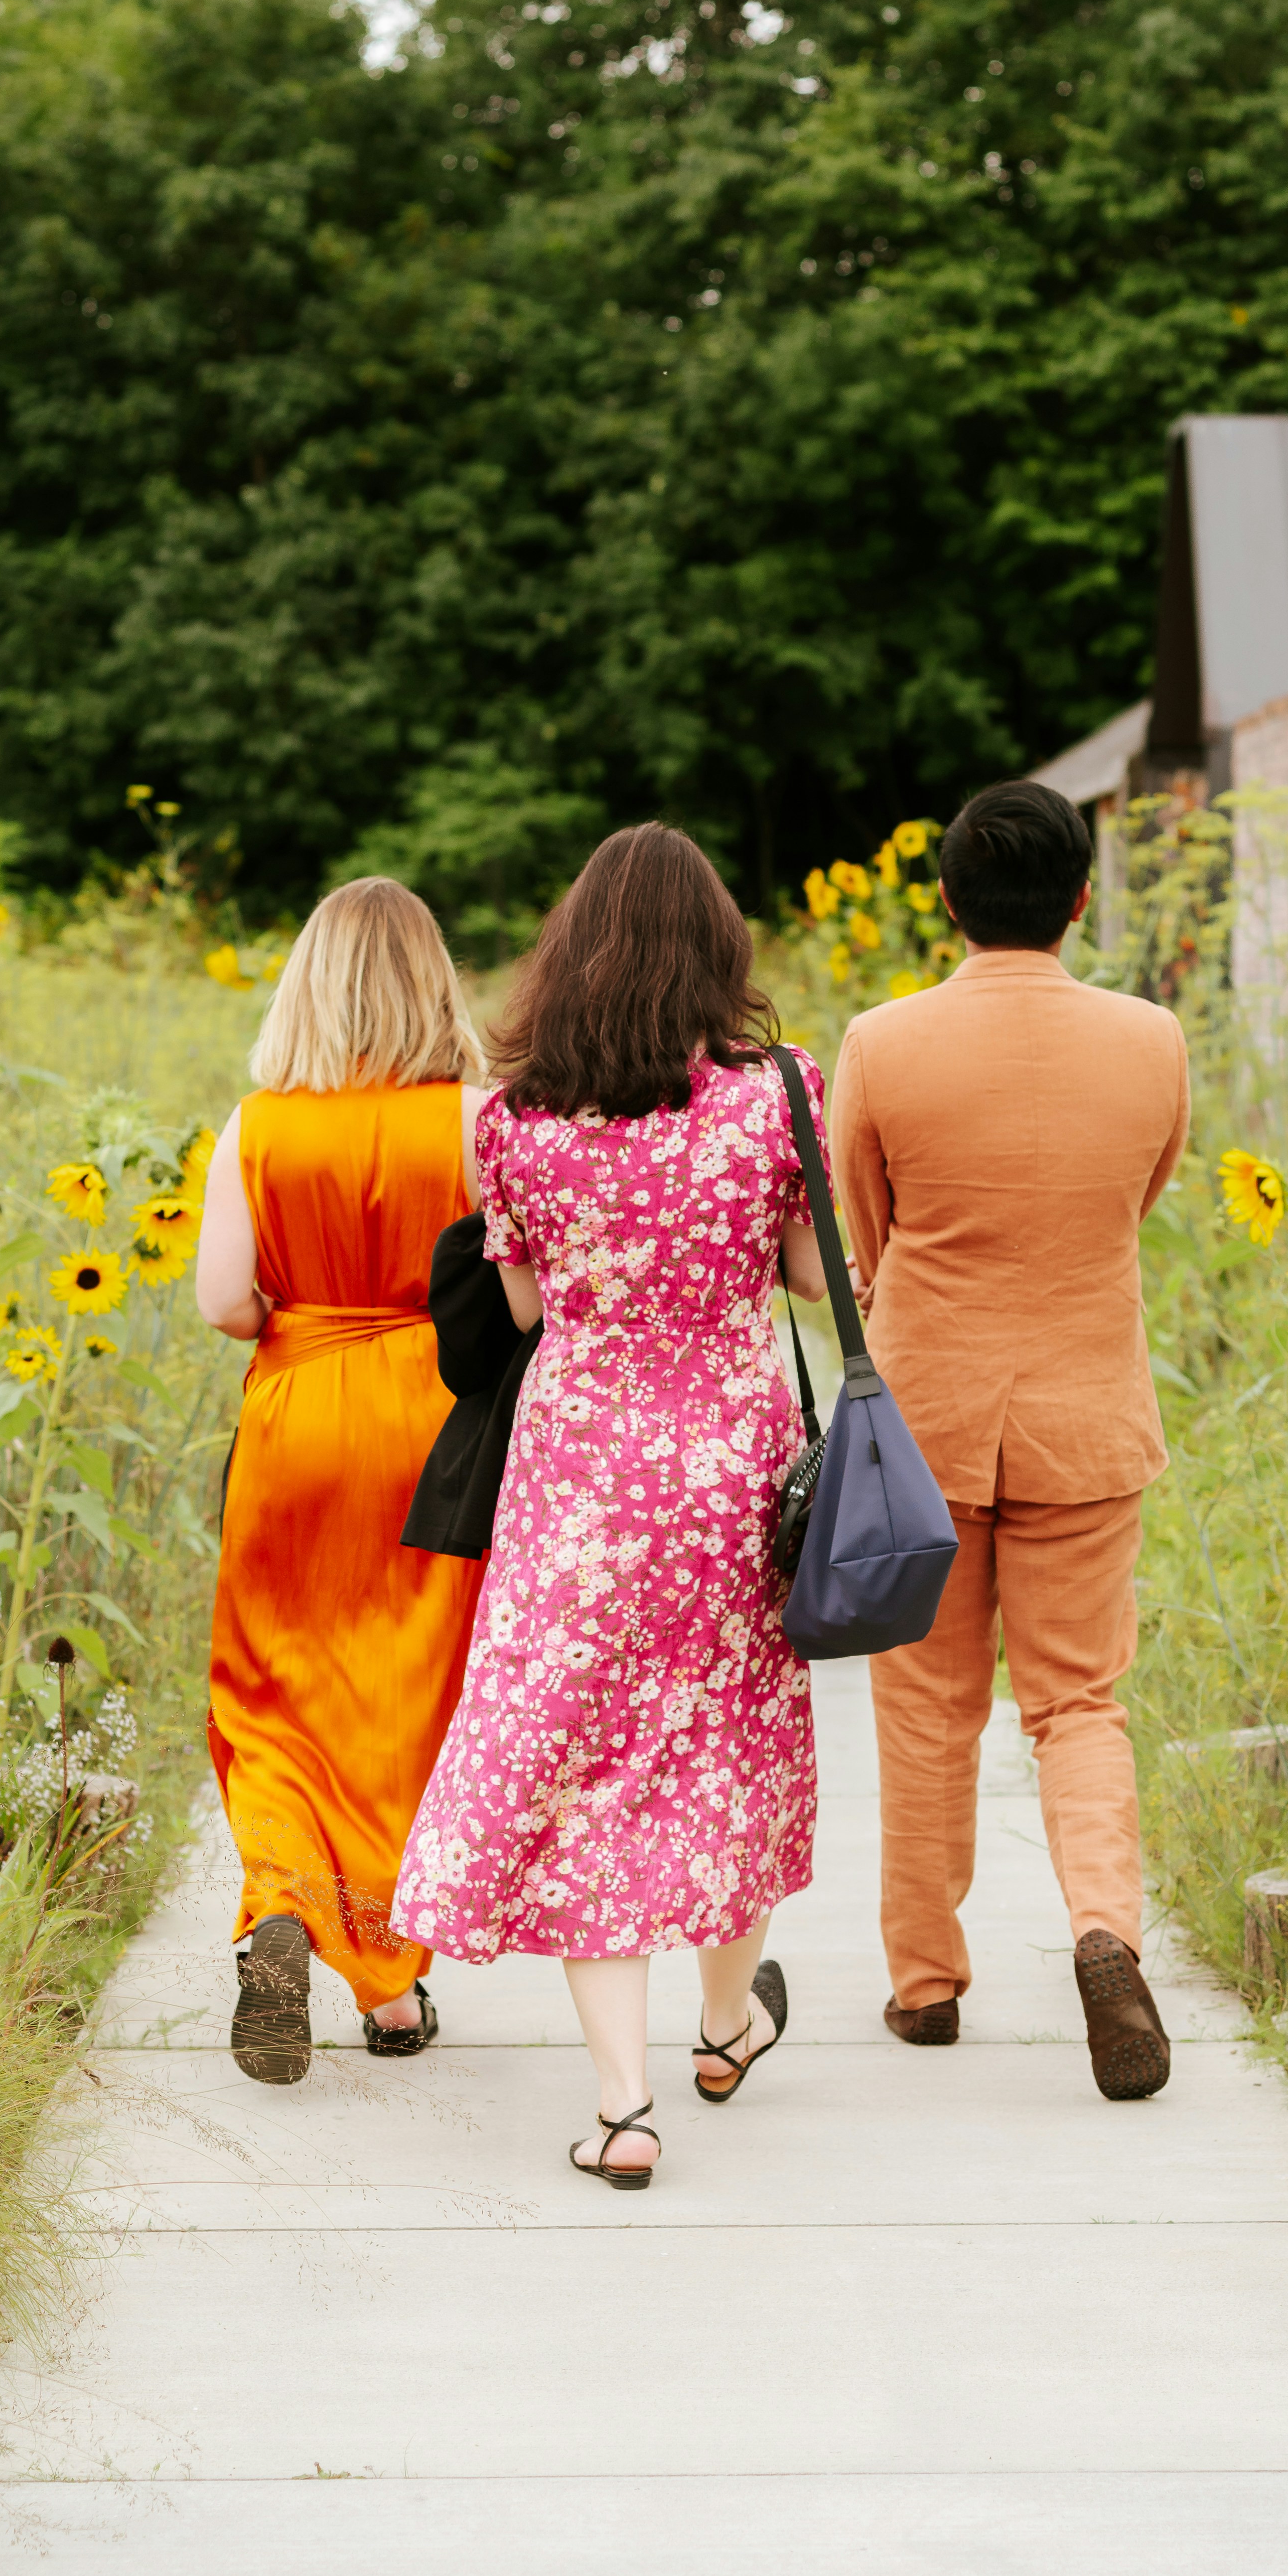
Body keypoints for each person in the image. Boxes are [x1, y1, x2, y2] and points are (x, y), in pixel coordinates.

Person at [392, 825, 829, 2189]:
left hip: (579, 1475)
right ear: (721, 949)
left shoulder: (511, 1118)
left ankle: (625, 2108)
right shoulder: (780, 1095)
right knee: (723, 1747)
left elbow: (519, 1307)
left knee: (588, 1774)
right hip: (731, 1478)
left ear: (571, 955)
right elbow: (814, 1278)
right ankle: (724, 2026)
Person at [825, 778, 1190, 2097]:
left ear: (946, 902)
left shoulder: (882, 1040)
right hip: (1087, 1417)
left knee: (926, 1705)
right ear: (1084, 897)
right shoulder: (1154, 1041)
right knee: (1080, 1701)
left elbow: (863, 1228)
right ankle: (1104, 1936)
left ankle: (925, 1983)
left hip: (920, 1425)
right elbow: (1138, 1199)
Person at [197, 877, 490, 2084]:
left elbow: (225, 1302)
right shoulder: (479, 1119)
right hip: (433, 1425)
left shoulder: (253, 1125)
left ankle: (280, 1904)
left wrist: (300, 1310)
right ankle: (390, 1986)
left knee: (272, 1692)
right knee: (408, 1704)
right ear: (435, 982)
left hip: (296, 1420)